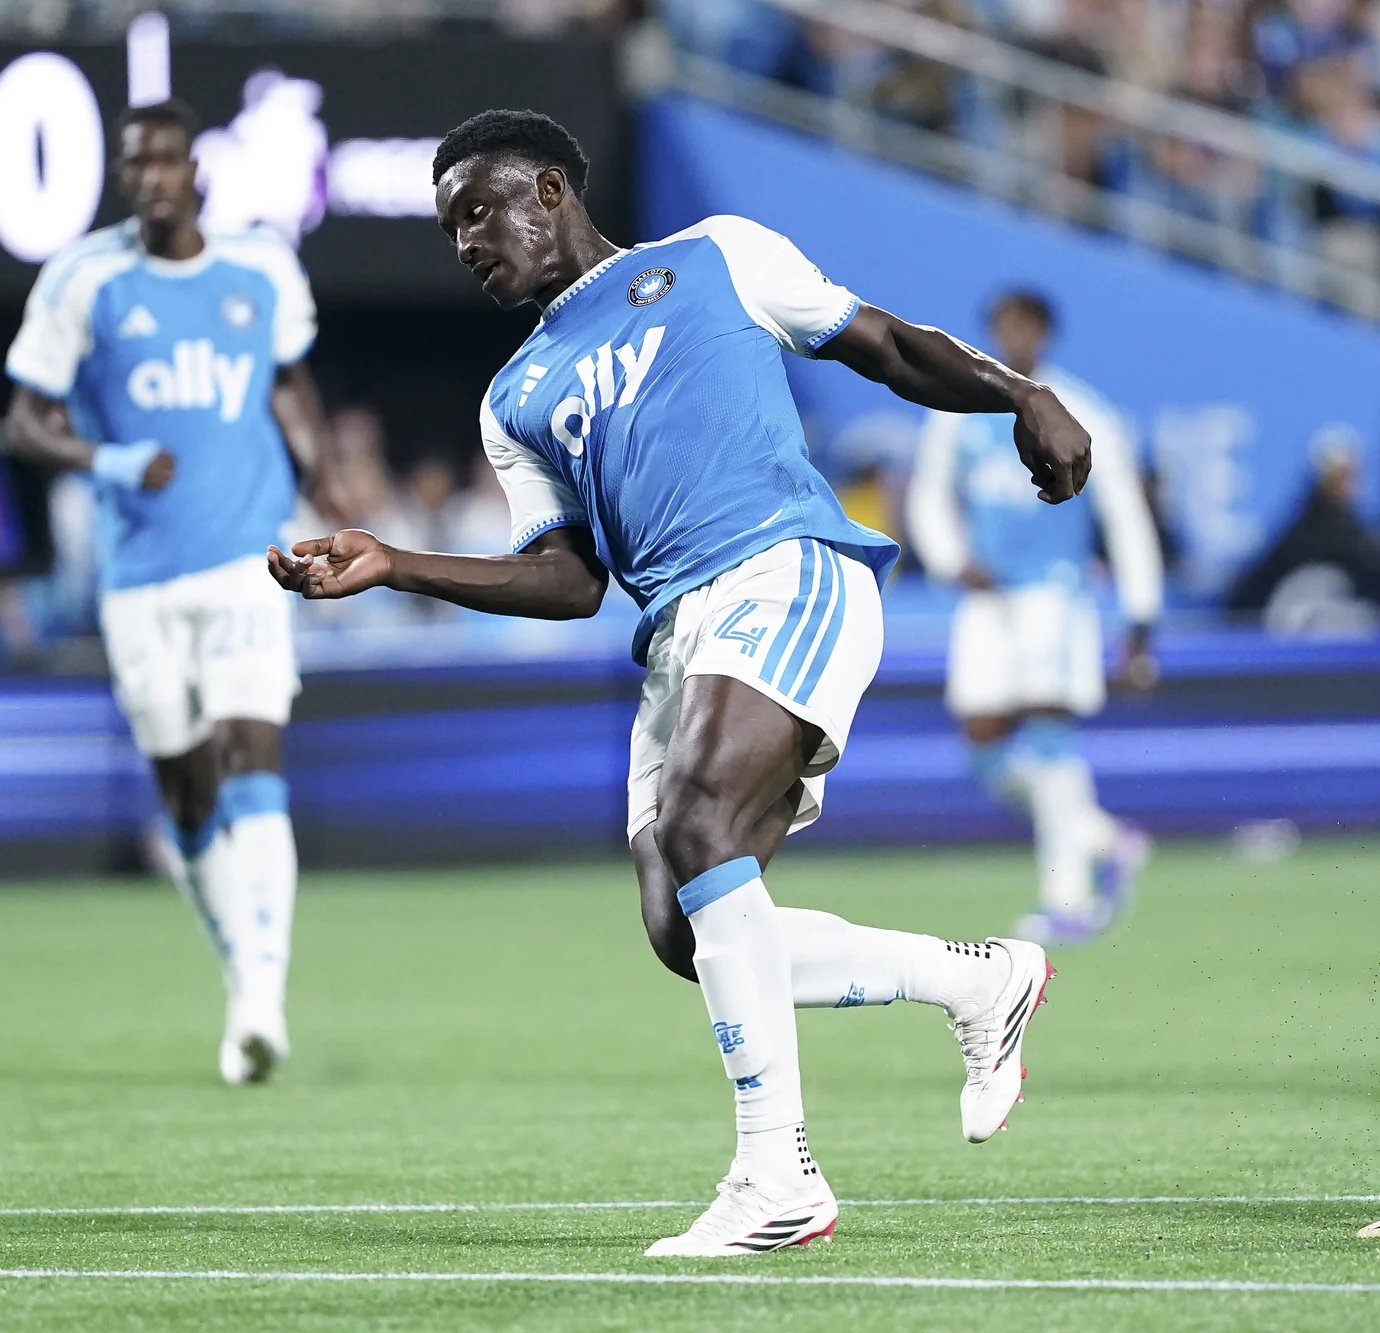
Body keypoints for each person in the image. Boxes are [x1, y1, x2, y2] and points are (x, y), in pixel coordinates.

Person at [269, 109, 1091, 1256]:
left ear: (548, 192)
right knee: (683, 927)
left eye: (478, 212)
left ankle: (775, 1177)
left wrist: (1017, 394)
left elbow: (886, 347)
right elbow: (568, 581)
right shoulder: (512, 399)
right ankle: (978, 982)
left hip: (782, 569)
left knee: (701, 827)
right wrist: (395, 561)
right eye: (448, 229)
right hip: (672, 633)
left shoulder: (716, 254)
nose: (464, 244)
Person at [4, 97, 334, 1086]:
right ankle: (243, 977)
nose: (150, 178)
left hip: (245, 556)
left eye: (165, 161)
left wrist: (321, 470)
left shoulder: (262, 268)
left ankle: (261, 1002)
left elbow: (288, 378)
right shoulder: (83, 280)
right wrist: (107, 460)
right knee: (187, 795)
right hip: (140, 575)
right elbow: (27, 420)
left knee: (250, 753)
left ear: (197, 171)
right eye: (134, 164)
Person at [907, 290, 1163, 946]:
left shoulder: (1083, 409)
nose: (1014, 336)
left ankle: (1066, 899)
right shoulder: (961, 407)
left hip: (1056, 595)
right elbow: (929, 493)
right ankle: (1103, 838)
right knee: (982, 747)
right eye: (1004, 325)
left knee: (1050, 736)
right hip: (987, 600)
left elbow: (1125, 516)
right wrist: (950, 559)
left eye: (1025, 325)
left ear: (1045, 332)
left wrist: (1139, 617)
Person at [1228, 426, 1380, 630]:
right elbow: (1246, 597)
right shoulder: (1301, 539)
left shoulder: (1359, 538)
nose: (1346, 486)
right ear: (1320, 479)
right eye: (1338, 477)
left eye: (1350, 476)